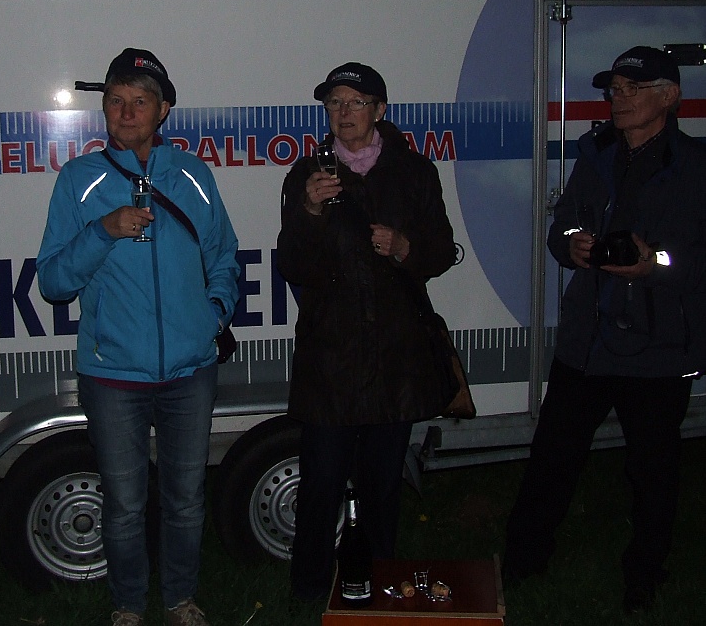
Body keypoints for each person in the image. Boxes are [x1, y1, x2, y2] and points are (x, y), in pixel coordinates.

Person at [36, 48, 239, 626]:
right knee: (124, 505)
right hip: (112, 375)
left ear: (163, 109)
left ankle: (180, 599)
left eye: (140, 101)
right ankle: (127, 606)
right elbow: (52, 282)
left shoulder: (193, 175)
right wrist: (103, 230)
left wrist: (212, 316)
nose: (126, 112)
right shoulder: (79, 180)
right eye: (116, 101)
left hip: (190, 371)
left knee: (186, 499)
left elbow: (224, 257)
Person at [503, 46, 706, 612]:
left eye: (631, 89)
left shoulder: (696, 167)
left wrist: (652, 263)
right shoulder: (594, 153)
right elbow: (562, 227)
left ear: (669, 97)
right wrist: (572, 244)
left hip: (659, 348)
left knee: (653, 473)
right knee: (552, 459)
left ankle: (644, 576)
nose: (618, 99)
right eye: (614, 89)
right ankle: (520, 566)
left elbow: (696, 261)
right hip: (587, 343)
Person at [277, 62, 456, 601]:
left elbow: (441, 251)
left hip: (395, 358)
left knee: (382, 487)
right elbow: (292, 264)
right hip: (331, 359)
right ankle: (309, 592)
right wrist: (309, 210)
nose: (344, 112)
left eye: (356, 102)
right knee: (321, 484)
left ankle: (380, 587)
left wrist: (404, 247)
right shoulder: (306, 175)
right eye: (334, 103)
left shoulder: (415, 172)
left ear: (379, 110)